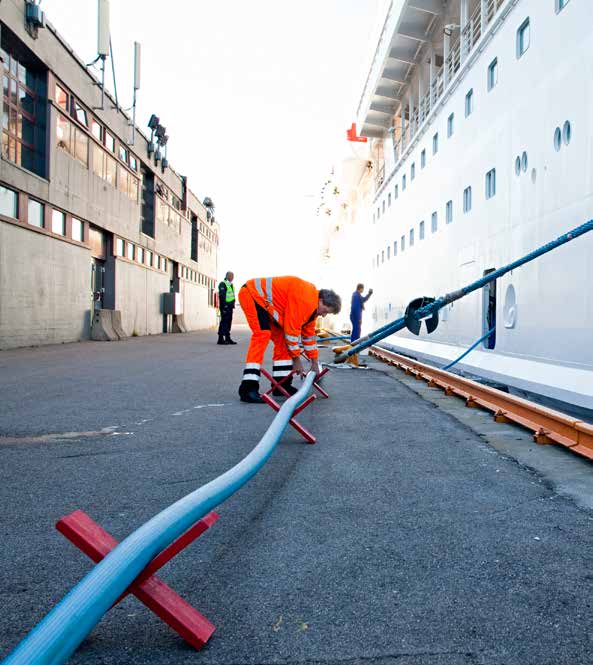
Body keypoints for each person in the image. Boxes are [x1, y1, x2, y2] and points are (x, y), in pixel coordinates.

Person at [237, 276, 341, 403]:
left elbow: (309, 338)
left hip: (265, 304)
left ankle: (281, 385)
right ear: (320, 300)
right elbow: (291, 332)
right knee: (262, 334)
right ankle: (248, 388)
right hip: (252, 294)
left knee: (282, 341)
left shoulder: (312, 311)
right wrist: (296, 360)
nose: (324, 315)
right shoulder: (305, 300)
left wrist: (314, 363)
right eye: (325, 311)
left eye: (327, 313)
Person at [217, 271, 237, 345]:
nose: (232, 278)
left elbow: (231, 295)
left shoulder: (230, 285)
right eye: (231, 276)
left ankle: (227, 338)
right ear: (227, 276)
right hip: (225, 307)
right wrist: (225, 305)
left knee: (228, 322)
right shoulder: (223, 284)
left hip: (230, 307)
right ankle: (220, 339)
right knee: (224, 322)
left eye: (233, 276)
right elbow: (222, 296)